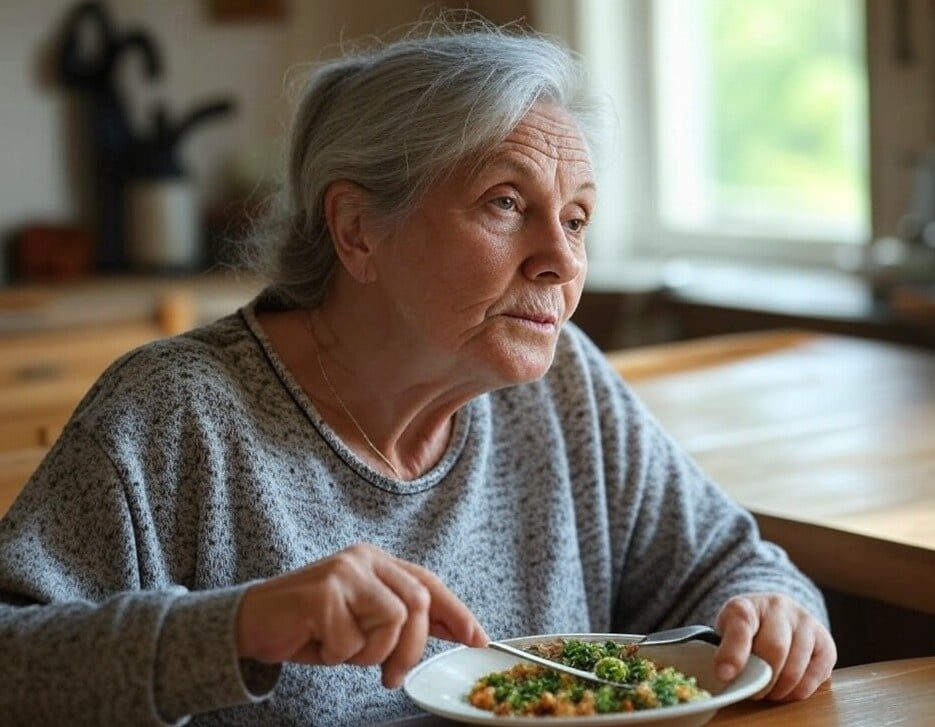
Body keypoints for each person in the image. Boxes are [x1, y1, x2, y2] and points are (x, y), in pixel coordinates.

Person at [0, 18, 836, 726]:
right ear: (359, 229)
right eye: (506, 202)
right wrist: (238, 626)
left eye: (576, 217)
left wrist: (774, 613)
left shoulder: (560, 386)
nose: (560, 259)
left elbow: (739, 566)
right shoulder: (176, 413)